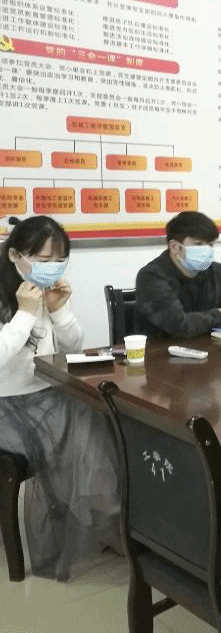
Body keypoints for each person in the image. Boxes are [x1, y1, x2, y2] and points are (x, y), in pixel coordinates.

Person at [0, 216, 119, 580]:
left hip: (49, 394)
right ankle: (102, 515)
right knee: (81, 429)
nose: (51, 267)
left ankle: (104, 514)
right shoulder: (12, 297)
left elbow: (72, 346)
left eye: (59, 260)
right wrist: (24, 314)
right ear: (16, 255)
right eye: (43, 259)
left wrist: (59, 309)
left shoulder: (44, 290)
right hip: (7, 406)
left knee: (102, 415)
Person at [135, 211, 221, 339]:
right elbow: (180, 326)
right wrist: (218, 315)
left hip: (209, 348)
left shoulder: (220, 272)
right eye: (198, 244)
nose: (207, 250)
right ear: (175, 247)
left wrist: (211, 324)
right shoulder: (151, 276)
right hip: (158, 350)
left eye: (210, 244)